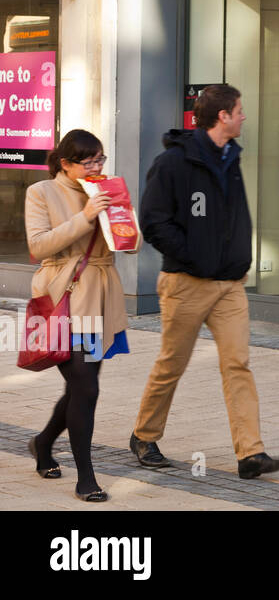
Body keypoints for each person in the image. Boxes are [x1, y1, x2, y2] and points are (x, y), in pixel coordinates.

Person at [128, 84, 279, 479]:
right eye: (239, 110)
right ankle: (144, 435)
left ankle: (251, 453)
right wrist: (194, 256)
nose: (243, 116)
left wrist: (238, 258)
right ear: (223, 116)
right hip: (185, 283)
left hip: (230, 285)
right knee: (172, 364)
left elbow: (235, 217)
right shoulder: (172, 163)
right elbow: (152, 221)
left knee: (238, 364)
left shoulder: (230, 157)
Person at [25, 130, 128, 502]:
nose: (97, 168)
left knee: (80, 387)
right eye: (89, 162)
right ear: (65, 163)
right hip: (61, 301)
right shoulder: (40, 192)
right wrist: (86, 216)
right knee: (86, 386)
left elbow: (129, 245)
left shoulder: (106, 188)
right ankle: (87, 478)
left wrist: (123, 221)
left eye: (101, 159)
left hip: (100, 300)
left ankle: (43, 442)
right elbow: (38, 245)